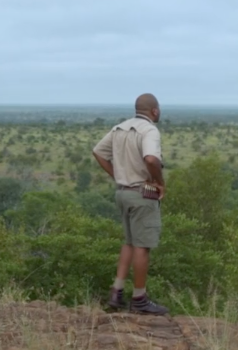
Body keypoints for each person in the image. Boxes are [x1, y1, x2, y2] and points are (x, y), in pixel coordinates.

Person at [91, 93, 168, 315]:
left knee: (129, 243)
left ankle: (116, 292)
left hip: (122, 193)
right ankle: (139, 299)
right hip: (142, 194)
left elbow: (98, 152)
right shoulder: (149, 130)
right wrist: (159, 183)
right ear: (154, 111)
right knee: (143, 247)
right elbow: (151, 159)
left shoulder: (120, 128)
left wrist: (117, 175)